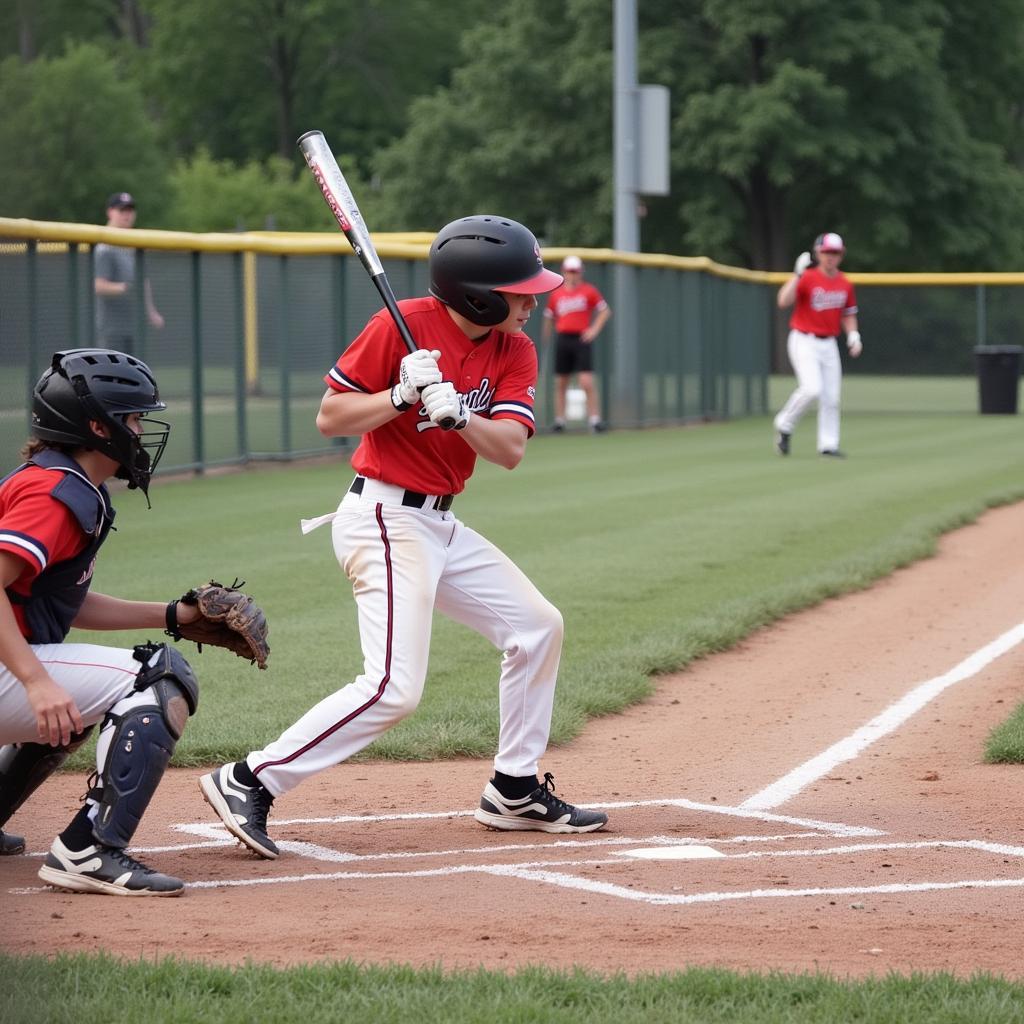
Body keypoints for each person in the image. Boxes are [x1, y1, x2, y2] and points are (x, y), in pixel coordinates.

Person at [199, 215, 608, 859]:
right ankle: (250, 779)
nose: (534, 302)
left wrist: (460, 414)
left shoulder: (515, 348)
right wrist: (399, 394)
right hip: (384, 518)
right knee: (393, 686)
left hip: (441, 523)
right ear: (481, 296)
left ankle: (514, 788)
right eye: (522, 291)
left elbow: (508, 451)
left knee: (537, 627)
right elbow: (331, 415)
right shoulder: (401, 325)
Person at [0, 348, 204, 896]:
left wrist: (172, 616)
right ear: (98, 426)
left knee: (86, 695)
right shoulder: (54, 494)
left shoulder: (63, 482)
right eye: (134, 418)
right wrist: (36, 681)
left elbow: (65, 598)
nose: (140, 431)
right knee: (158, 677)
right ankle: (89, 850)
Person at [773, 232, 862, 457]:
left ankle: (828, 445)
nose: (830, 257)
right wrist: (797, 276)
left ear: (841, 255)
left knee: (831, 397)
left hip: (829, 342)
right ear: (818, 253)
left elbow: (848, 314)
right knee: (812, 389)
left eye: (835, 253)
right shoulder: (808, 277)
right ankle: (784, 423)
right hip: (804, 339)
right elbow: (783, 301)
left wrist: (853, 335)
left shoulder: (844, 283)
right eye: (826, 252)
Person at [542, 255, 612, 433]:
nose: (572, 275)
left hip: (581, 339)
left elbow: (604, 311)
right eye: (569, 271)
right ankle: (560, 421)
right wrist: (546, 337)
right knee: (561, 382)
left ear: (581, 273)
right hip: (563, 339)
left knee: (586, 381)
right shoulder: (556, 294)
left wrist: (593, 330)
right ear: (564, 272)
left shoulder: (589, 291)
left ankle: (595, 420)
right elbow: (549, 318)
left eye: (575, 271)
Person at [94, 192, 165, 350]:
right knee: (112, 373)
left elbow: (143, 281)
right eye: (122, 210)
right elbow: (99, 286)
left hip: (134, 326)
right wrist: (126, 288)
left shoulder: (133, 244)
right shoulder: (105, 247)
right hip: (112, 329)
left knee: (134, 373)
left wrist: (151, 312)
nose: (127, 214)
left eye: (130, 210)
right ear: (110, 212)